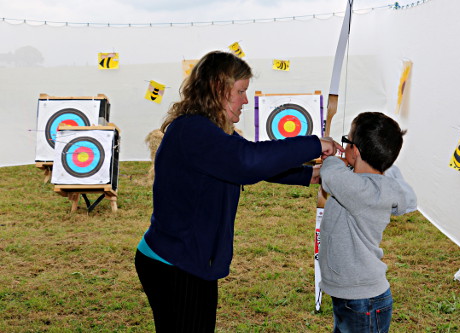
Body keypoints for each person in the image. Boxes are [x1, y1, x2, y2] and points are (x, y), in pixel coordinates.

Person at [134, 50, 341, 332]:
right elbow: (246, 161)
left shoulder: (208, 130)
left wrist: (310, 175)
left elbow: (247, 162)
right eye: (241, 91)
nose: (245, 100)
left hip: (185, 259)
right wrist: (315, 144)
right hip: (175, 263)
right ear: (218, 88)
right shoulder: (194, 130)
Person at [318, 112, 417, 333]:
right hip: (356, 296)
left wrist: (332, 157)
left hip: (362, 300)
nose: (343, 148)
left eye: (347, 142)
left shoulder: (362, 191)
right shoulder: (373, 185)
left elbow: (332, 177)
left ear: (356, 151)